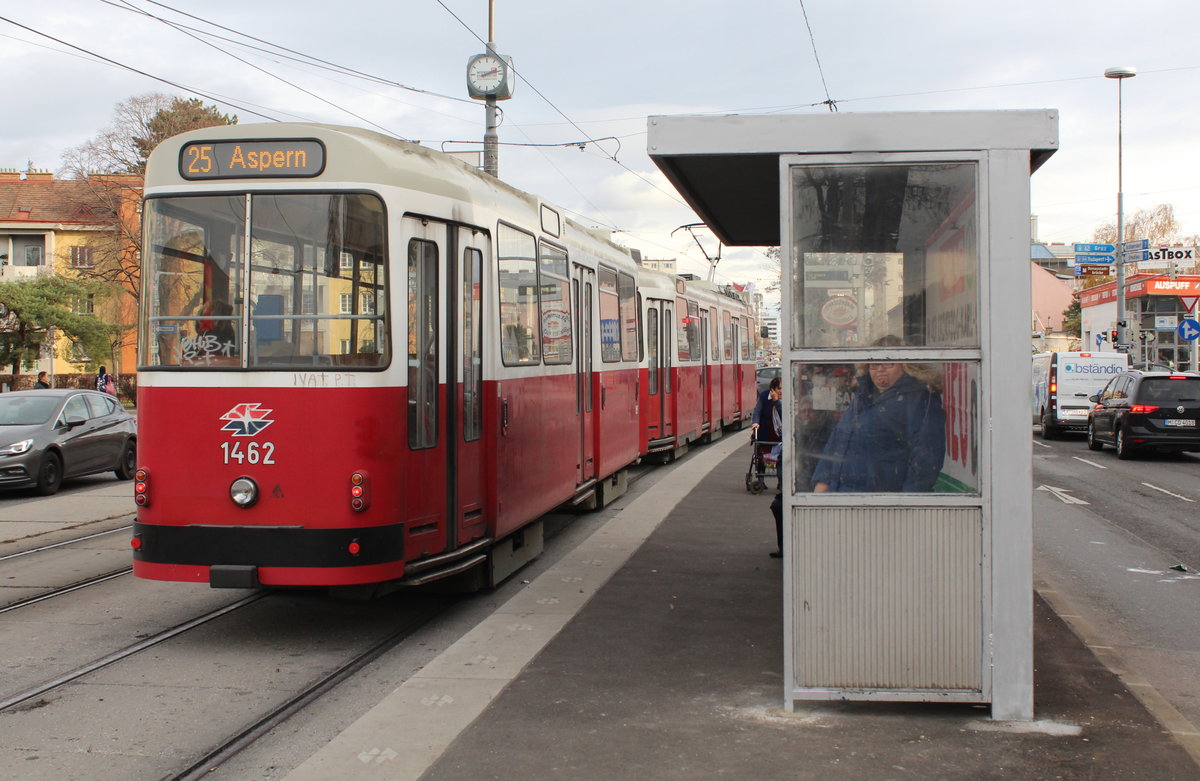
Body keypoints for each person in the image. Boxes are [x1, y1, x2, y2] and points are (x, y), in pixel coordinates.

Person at [811, 353, 945, 493]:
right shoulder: (862, 396)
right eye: (874, 364)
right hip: (843, 498)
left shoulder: (919, 401)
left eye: (888, 363)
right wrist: (822, 483)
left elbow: (925, 462)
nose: (880, 369)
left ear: (906, 366)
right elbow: (837, 442)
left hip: (883, 504)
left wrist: (907, 504)